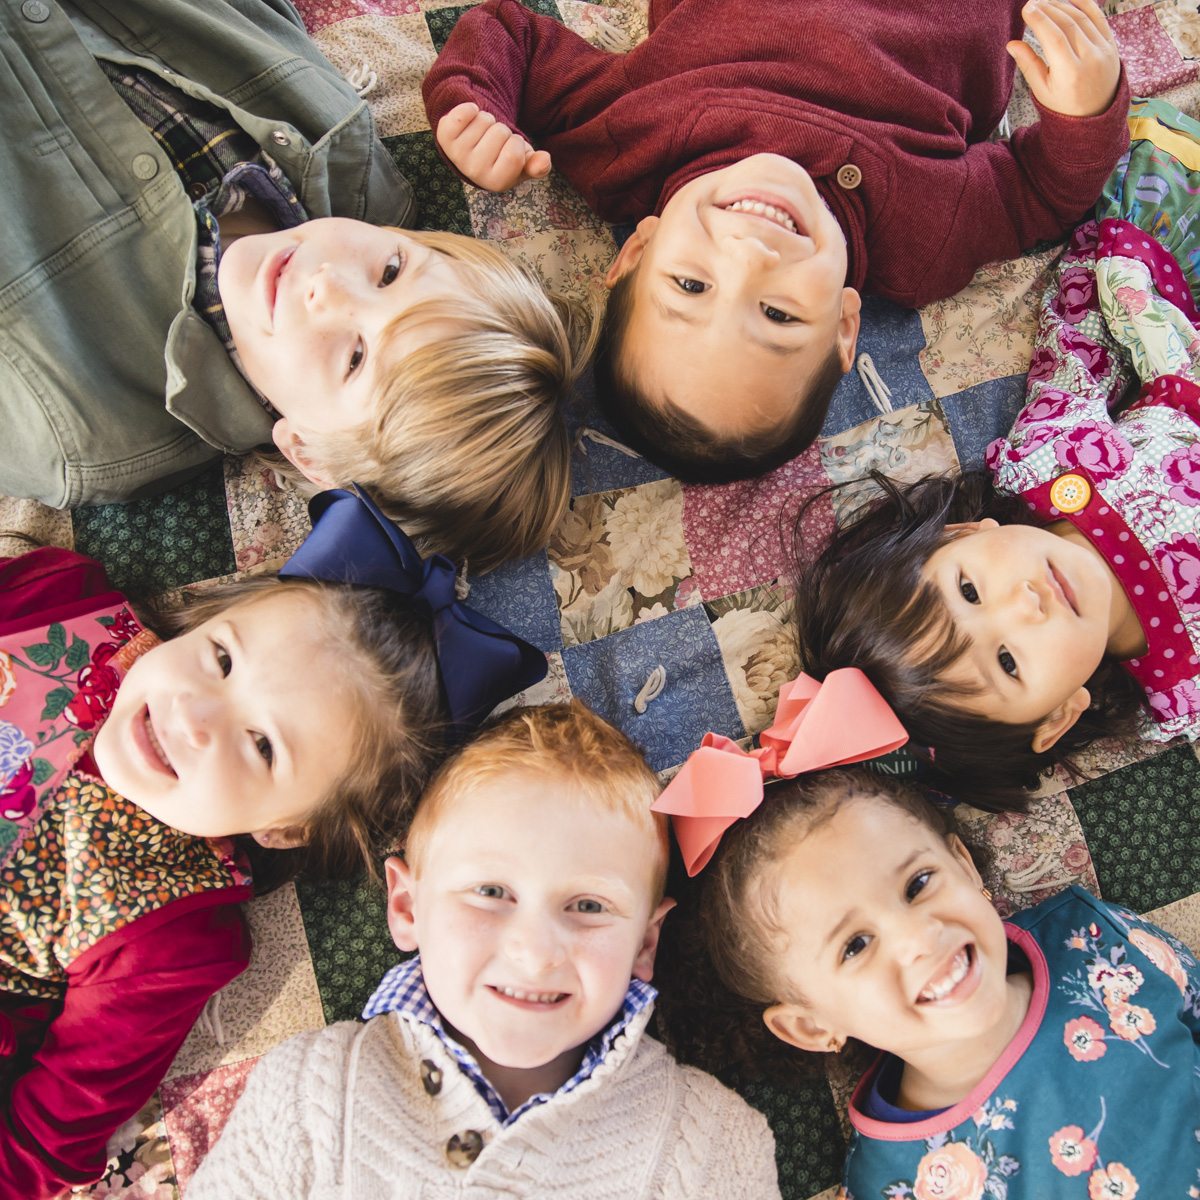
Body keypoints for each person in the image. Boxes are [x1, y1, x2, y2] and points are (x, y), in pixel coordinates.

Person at [0, 487, 545, 1198]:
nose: (193, 717)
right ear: (207, 618)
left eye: (260, 745)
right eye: (221, 659)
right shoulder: (59, 596)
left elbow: (38, 1149)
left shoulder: (165, 938)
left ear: (283, 829)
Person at [423, 0, 1128, 481]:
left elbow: (509, 31)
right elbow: (1044, 192)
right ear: (846, 325)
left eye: (691, 286)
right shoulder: (926, 236)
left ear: (637, 251)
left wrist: (472, 107)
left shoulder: (618, 144)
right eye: (780, 315)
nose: (750, 257)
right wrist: (1086, 111)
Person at [4, 0, 596, 572]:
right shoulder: (352, 164)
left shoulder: (81, 435)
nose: (330, 283)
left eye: (356, 357)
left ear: (307, 450)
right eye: (391, 270)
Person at [187, 700, 781, 1199]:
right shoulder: (308, 1091)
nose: (535, 951)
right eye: (492, 892)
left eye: (589, 906)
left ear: (645, 943)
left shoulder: (717, 1148)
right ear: (407, 909)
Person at [792, 133, 1200, 810]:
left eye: (972, 590)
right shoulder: (1180, 684)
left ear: (963, 534)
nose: (1025, 607)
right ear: (1057, 716)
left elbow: (1080, 348)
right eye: (1008, 662)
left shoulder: (1048, 467)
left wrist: (1115, 272)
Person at [651, 752, 1200, 1197]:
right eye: (856, 945)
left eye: (917, 884)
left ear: (963, 865)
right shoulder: (896, 1184)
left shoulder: (1090, 936)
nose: (919, 938)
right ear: (812, 1026)